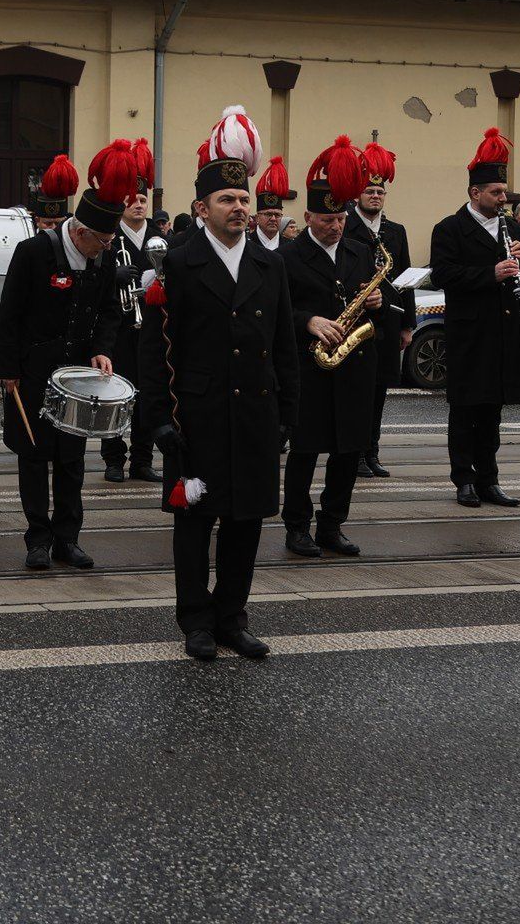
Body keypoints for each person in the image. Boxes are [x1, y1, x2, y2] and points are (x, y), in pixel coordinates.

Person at [138, 106, 298, 662]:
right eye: (227, 201)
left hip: (254, 411)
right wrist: (158, 418)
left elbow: (284, 345)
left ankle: (232, 616)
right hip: (197, 417)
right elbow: (157, 351)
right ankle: (196, 622)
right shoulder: (178, 266)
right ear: (201, 209)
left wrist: (287, 415)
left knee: (245, 521)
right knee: (195, 521)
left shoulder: (269, 264)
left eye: (244, 200)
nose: (239, 208)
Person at [0, 145, 127, 571]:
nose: (105, 249)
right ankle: (37, 539)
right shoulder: (34, 252)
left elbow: (110, 310)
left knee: (72, 459)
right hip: (34, 371)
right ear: (79, 232)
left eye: (110, 242)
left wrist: (103, 350)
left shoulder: (102, 256)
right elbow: (9, 314)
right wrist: (9, 371)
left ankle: (67, 538)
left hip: (78, 375)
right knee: (34, 456)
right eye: (101, 241)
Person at [429, 128, 520, 509]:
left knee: (492, 411)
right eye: (496, 193)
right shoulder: (449, 228)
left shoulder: (510, 227)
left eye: (504, 193)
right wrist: (489, 274)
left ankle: (489, 479)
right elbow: (444, 274)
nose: (503, 199)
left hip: (503, 330)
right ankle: (463, 478)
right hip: (469, 332)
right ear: (475, 193)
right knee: (465, 409)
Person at [280, 136, 381, 559]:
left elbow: (369, 298)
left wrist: (377, 300)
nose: (335, 226)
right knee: (304, 452)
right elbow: (276, 309)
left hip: (352, 366)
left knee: (347, 452)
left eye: (340, 218)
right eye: (326, 220)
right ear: (307, 217)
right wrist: (309, 321)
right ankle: (297, 527)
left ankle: (332, 525)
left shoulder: (362, 250)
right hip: (310, 367)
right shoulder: (287, 256)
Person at [343, 141, 413, 477]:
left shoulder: (395, 231)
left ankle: (372, 451)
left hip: (388, 321)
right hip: (357, 322)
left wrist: (408, 325)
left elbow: (405, 280)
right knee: (357, 392)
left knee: (380, 391)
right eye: (369, 191)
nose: (375, 196)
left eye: (380, 192)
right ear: (358, 194)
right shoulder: (346, 227)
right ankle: (354, 454)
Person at [100, 141, 161, 484]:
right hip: (117, 328)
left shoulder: (158, 237)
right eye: (132, 200)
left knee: (148, 395)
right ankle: (113, 458)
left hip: (149, 327)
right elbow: (93, 280)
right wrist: (113, 276)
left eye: (142, 200)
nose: (138, 205)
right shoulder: (109, 238)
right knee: (115, 396)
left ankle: (142, 458)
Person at [253, 158, 292, 253]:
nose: (273, 218)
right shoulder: (246, 245)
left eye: (277, 215)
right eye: (268, 214)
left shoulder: (291, 247)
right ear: (257, 218)